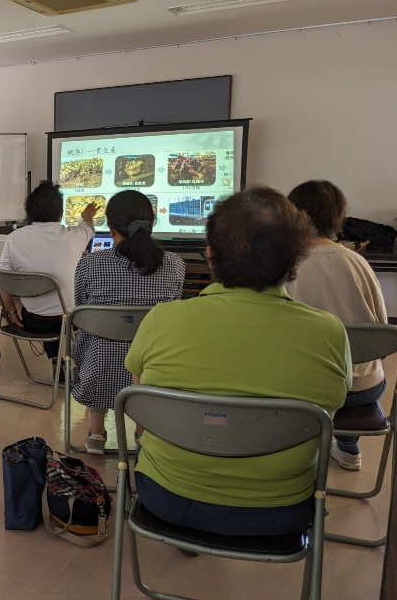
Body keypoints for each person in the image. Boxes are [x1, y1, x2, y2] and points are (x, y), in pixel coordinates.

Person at [125, 187, 350, 537]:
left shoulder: (161, 319)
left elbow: (141, 406)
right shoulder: (329, 332)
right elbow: (334, 404)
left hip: (168, 498)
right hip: (281, 511)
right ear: (296, 257)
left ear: (210, 253)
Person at [70, 190, 185, 454]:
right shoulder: (176, 264)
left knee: (96, 344)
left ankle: (95, 434)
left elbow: (81, 313)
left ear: (111, 230)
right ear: (151, 225)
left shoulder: (90, 264)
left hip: (98, 365)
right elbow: (171, 315)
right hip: (151, 365)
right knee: (148, 344)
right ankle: (142, 434)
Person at [287, 180, 388, 471]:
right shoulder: (358, 263)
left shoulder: (286, 264)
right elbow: (382, 332)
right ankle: (349, 449)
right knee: (348, 372)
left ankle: (295, 452)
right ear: (338, 217)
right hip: (364, 387)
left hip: (304, 389)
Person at [0, 180, 96, 368]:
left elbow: (2, 279)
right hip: (70, 322)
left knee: (52, 306)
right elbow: (88, 228)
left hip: (32, 321)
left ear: (29, 212)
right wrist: (87, 215)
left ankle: (57, 360)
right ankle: (83, 364)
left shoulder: (14, 238)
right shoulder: (73, 237)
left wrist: (11, 313)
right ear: (60, 213)